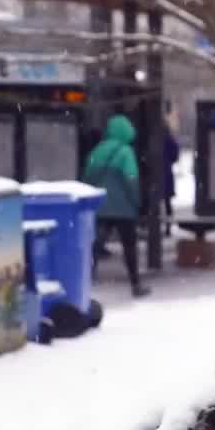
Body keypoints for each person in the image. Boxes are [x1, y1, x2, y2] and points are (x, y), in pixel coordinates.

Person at [82, 114, 151, 298]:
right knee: (129, 247)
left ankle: (85, 283)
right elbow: (131, 180)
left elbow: (87, 178)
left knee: (95, 246)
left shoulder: (97, 150)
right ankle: (136, 284)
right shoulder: (126, 152)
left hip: (100, 207)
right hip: (124, 210)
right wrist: (136, 202)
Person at [163, 119, 180, 236]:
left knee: (155, 201)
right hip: (166, 172)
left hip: (156, 172)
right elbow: (175, 155)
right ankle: (168, 227)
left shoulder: (152, 137)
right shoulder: (168, 138)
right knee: (167, 202)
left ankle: (163, 226)